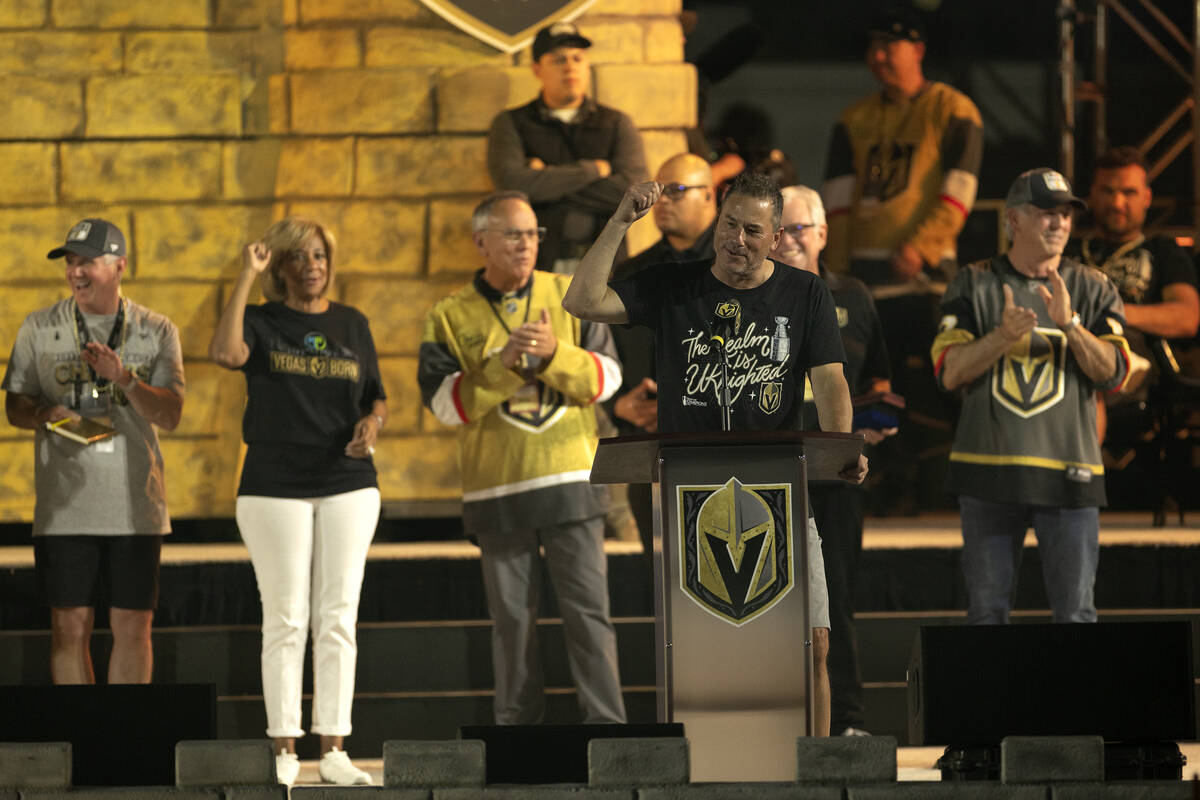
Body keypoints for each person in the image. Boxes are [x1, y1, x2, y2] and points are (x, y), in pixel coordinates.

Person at [562, 172, 870, 737]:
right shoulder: (670, 286)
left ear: (776, 237)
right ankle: (705, 765)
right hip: (692, 501)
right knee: (702, 644)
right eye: (729, 223)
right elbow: (581, 300)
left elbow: (830, 384)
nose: (737, 238)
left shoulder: (805, 294)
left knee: (814, 640)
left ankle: (820, 769)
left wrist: (840, 449)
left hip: (781, 493)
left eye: (753, 230)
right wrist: (620, 221)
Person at [418, 191, 626, 726]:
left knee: (589, 618)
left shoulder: (571, 295)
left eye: (533, 234)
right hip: (497, 491)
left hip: (572, 480)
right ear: (480, 241)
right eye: (513, 235)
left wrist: (555, 355)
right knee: (511, 624)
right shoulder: (448, 315)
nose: (526, 245)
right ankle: (516, 739)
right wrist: (504, 364)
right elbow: (445, 406)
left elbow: (609, 379)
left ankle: (610, 736)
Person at [209, 217, 386, 787]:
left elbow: (376, 396)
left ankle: (334, 748)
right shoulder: (261, 320)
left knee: (338, 619)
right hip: (273, 485)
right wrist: (245, 275)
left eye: (320, 255)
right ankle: (284, 748)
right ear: (281, 267)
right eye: (300, 257)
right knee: (285, 618)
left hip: (348, 482)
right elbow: (224, 352)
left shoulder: (352, 323)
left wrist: (372, 424)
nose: (313, 265)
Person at [931, 168, 1132, 625]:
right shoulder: (972, 282)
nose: (1059, 223)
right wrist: (1001, 336)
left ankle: (1076, 701)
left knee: (1077, 617)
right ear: (1013, 221)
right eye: (1046, 213)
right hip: (987, 477)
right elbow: (948, 373)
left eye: (1065, 213)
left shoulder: (1093, 287)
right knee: (986, 616)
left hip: (1071, 477)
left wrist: (1071, 326)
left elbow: (1115, 375)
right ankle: (990, 700)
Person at [3, 218, 184, 686]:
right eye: (70, 262)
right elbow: (15, 407)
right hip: (66, 509)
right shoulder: (40, 327)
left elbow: (170, 414)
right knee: (68, 629)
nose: (75, 272)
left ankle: (127, 745)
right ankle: (80, 743)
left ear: (120, 265)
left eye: (87, 261)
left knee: (133, 629)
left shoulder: (157, 329)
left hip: (135, 507)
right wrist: (45, 414)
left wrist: (123, 378)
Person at [821, 7, 983, 514]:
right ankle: (883, 486)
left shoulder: (954, 109)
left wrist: (924, 246)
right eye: (872, 47)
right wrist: (837, 270)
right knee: (872, 387)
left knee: (936, 385)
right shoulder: (854, 118)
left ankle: (946, 488)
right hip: (867, 279)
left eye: (890, 46)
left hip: (926, 278)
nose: (878, 57)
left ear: (919, 50)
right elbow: (840, 198)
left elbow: (961, 189)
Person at [770, 185, 892, 737]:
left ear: (823, 233)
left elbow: (883, 382)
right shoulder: (754, 296)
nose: (790, 240)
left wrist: (871, 429)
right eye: (781, 230)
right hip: (768, 469)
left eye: (801, 229)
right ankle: (776, 716)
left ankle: (845, 720)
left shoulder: (855, 297)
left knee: (835, 599)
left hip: (837, 474)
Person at [608, 153, 719, 556]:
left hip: (725, 445)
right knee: (659, 578)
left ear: (710, 195)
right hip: (650, 446)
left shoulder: (741, 266)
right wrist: (619, 405)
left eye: (677, 190)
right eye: (659, 192)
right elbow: (609, 355)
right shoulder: (635, 273)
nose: (664, 201)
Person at [487, 21, 647, 273]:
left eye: (577, 58)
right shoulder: (512, 123)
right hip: (537, 267)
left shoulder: (616, 123)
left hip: (607, 267)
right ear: (537, 69)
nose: (570, 67)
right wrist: (592, 170)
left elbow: (633, 195)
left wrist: (544, 179)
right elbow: (511, 186)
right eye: (559, 60)